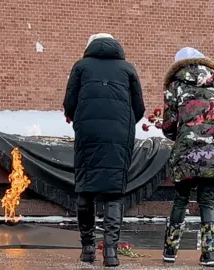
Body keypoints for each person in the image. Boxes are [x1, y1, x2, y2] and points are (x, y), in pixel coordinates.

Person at [63, 33, 145, 267]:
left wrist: (78, 118)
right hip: (119, 134)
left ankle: (88, 249)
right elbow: (139, 108)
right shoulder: (128, 69)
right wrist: (123, 122)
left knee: (86, 187)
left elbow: (69, 103)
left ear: (89, 46)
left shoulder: (80, 67)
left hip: (88, 131)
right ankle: (111, 253)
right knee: (114, 192)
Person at [160, 47, 214, 267]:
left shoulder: (175, 86)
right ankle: (210, 254)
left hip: (187, 151)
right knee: (207, 203)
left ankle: (170, 251)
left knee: (180, 200)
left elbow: (169, 125)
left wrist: (179, 133)